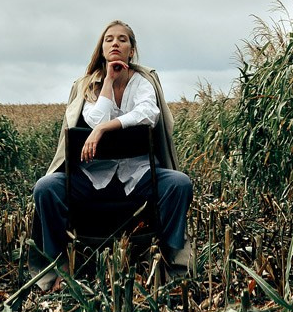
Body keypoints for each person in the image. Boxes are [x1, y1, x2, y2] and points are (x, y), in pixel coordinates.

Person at [30, 20, 194, 282]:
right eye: (109, 39)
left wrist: (107, 128)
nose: (115, 43)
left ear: (132, 49)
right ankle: (55, 268)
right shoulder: (88, 86)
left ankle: (171, 262)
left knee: (179, 184)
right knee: (46, 188)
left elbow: (148, 114)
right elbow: (94, 119)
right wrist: (108, 80)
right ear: (102, 49)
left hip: (137, 177)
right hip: (92, 179)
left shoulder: (143, 83)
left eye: (122, 39)